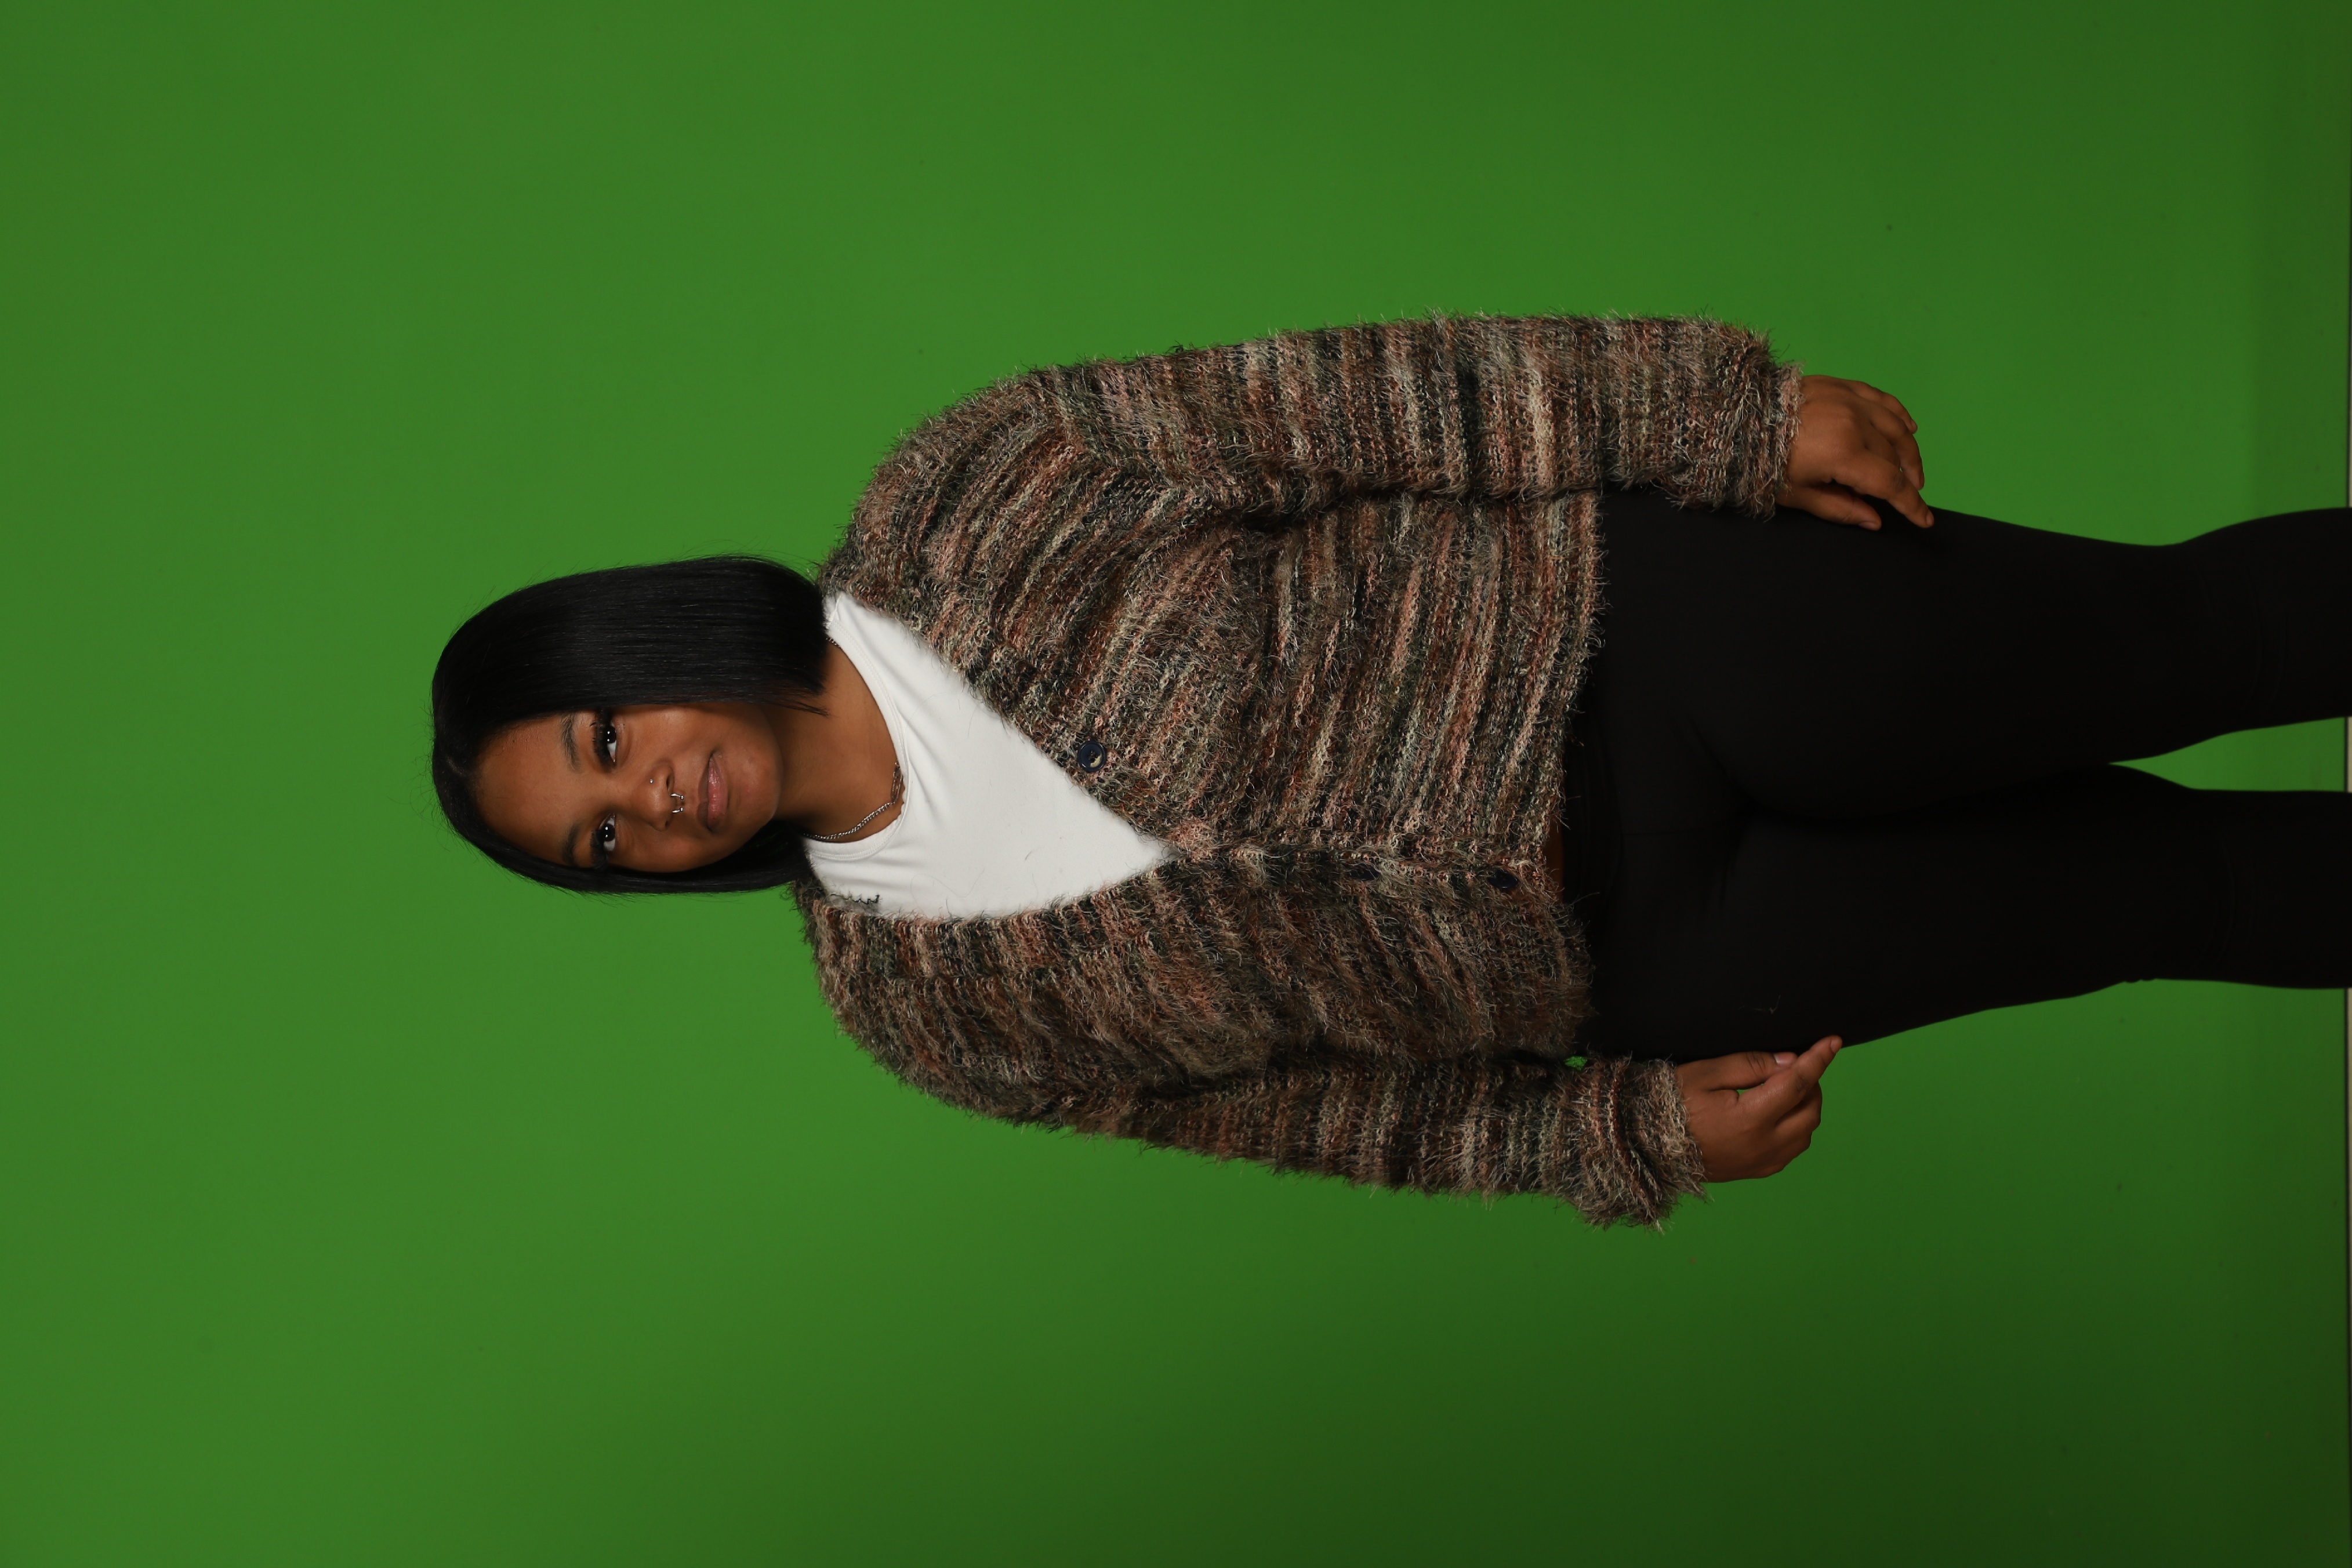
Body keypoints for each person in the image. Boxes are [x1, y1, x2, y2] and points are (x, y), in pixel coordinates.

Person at [431, 314, 2352, 1226]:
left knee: (2186, 642)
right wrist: (1611, 1141)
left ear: (640, 646)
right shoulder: (920, 1011)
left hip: (1658, 640)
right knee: (2153, 898)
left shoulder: (968, 496)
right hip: (1662, 959)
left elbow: (1362, 405)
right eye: (601, 841)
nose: (650, 800)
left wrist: (1720, 417)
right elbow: (1327, 1119)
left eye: (606, 737)